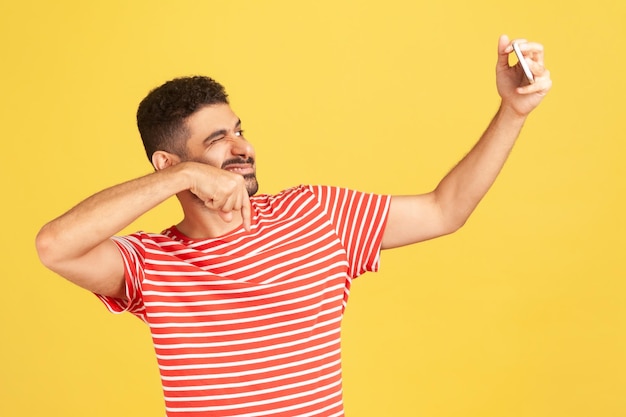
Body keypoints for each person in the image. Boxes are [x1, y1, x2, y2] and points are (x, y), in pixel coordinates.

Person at [36, 35, 552, 417]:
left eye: (240, 131)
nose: (244, 147)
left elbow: (446, 209)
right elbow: (55, 246)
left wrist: (513, 111)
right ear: (169, 164)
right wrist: (187, 177)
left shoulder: (317, 214)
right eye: (217, 140)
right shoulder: (150, 262)